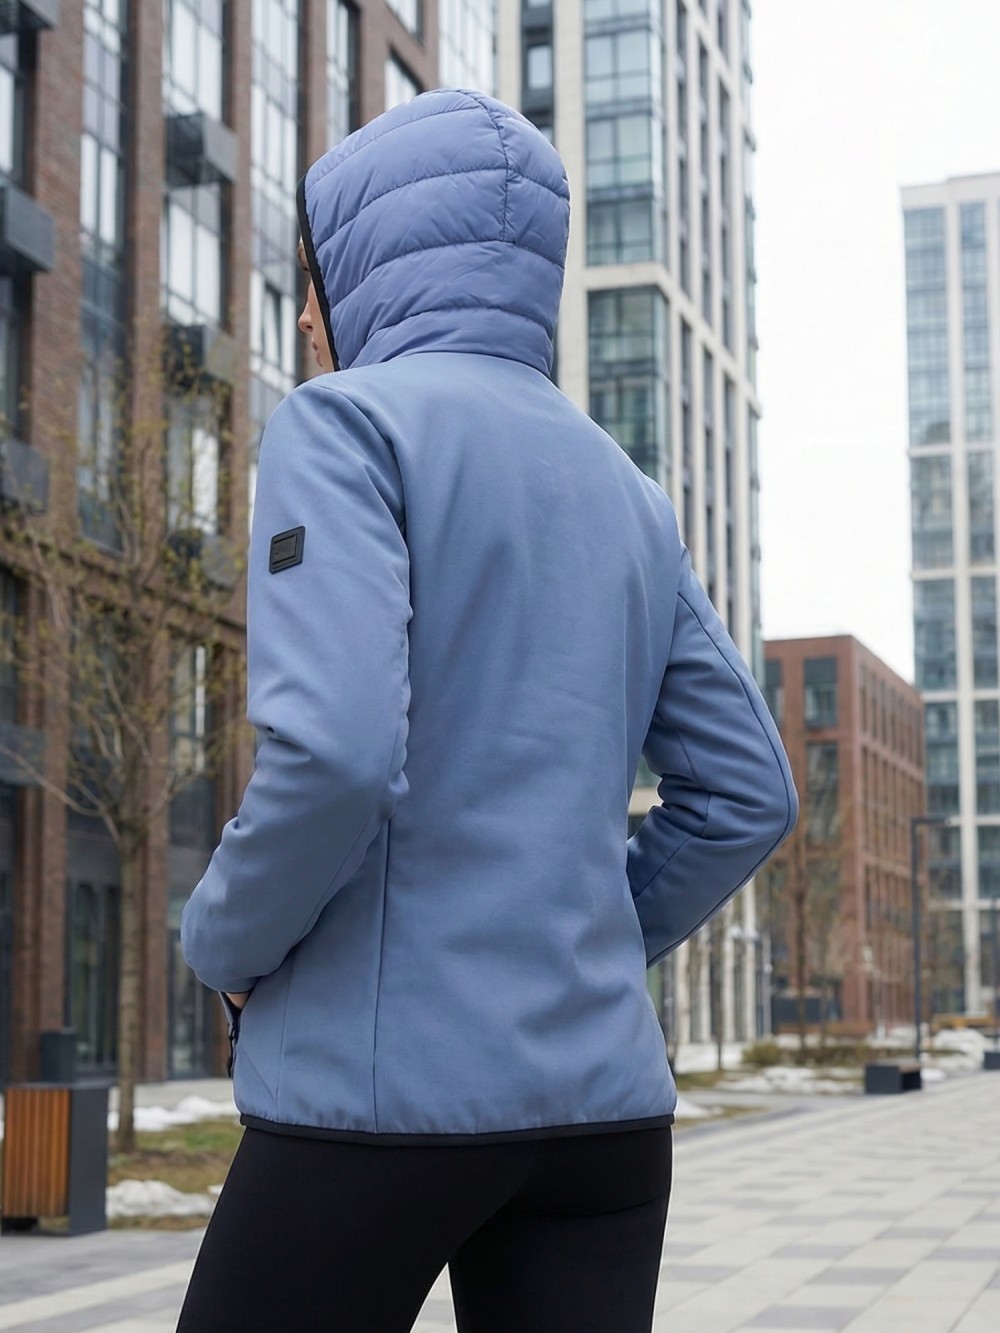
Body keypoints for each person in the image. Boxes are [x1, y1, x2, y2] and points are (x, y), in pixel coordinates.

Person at [177, 89, 797, 1333]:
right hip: (602, 1127)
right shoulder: (628, 490)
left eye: (310, 278)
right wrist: (582, 941)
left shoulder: (341, 424)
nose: (302, 316)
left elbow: (337, 753)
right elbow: (747, 794)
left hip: (377, 1106)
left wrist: (225, 944)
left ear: (366, 271)